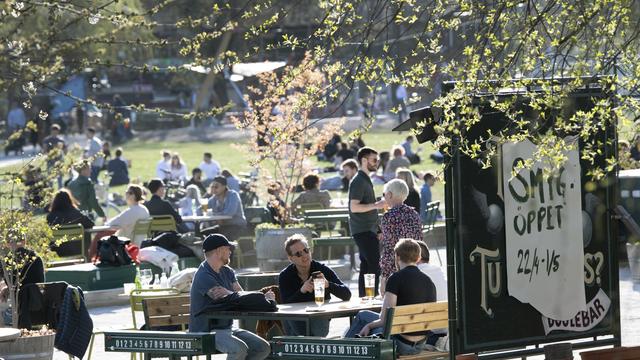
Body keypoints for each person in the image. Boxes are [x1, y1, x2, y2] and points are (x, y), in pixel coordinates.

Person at [345, 239, 436, 356]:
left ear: (397, 257)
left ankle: (342, 351)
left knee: (362, 317)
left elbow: (385, 319)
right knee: (367, 320)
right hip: (420, 344)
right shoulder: (428, 281)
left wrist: (369, 325)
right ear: (418, 258)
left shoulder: (395, 278)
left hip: (400, 344)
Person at [189, 234, 272, 360]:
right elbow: (225, 298)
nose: (230, 252)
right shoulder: (203, 275)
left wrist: (230, 293)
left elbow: (241, 296)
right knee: (239, 350)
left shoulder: (227, 271)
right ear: (219, 251)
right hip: (205, 331)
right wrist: (231, 295)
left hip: (227, 328)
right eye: (228, 248)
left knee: (263, 348)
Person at [278, 234, 351, 336]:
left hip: (319, 319)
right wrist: (302, 291)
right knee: (296, 325)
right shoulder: (285, 275)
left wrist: (328, 285)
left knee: (316, 331)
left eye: (306, 250)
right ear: (291, 258)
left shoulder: (321, 269)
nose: (304, 256)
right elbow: (285, 305)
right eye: (298, 254)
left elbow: (347, 294)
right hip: (296, 320)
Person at [349, 147, 386, 297]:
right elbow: (354, 207)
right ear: (364, 160)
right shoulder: (358, 180)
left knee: (366, 266)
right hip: (362, 230)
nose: (377, 163)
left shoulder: (365, 179)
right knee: (374, 265)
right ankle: (371, 298)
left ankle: (364, 299)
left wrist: (377, 229)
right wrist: (376, 205)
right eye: (374, 160)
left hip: (368, 230)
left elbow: (368, 208)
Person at [378, 179, 423, 294]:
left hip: (396, 272)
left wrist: (384, 276)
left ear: (390, 194)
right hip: (415, 268)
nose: (384, 197)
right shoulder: (414, 214)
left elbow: (389, 249)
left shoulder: (389, 217)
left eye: (384, 194)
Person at [416, 241, 448, 346]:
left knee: (363, 317)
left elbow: (386, 316)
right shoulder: (439, 270)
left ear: (416, 257)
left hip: (426, 336)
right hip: (446, 331)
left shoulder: (413, 274)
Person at [47, 189, 95, 257]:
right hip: (78, 250)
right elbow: (91, 224)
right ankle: (88, 257)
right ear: (70, 200)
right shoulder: (77, 214)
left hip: (57, 252)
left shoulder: (50, 217)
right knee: (86, 233)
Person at [205, 176, 247, 240]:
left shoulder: (233, 195)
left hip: (237, 226)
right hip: (223, 227)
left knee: (220, 237)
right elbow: (200, 209)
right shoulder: (213, 199)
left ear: (224, 187)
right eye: (212, 187)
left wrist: (214, 214)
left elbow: (230, 212)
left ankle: (228, 249)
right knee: (202, 233)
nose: (213, 189)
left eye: (216, 187)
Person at [42, 124, 67, 188]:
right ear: (51, 131)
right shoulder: (47, 140)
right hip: (50, 161)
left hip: (59, 161)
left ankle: (60, 193)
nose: (55, 132)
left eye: (56, 131)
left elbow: (65, 151)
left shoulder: (61, 140)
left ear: (58, 131)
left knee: (60, 179)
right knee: (50, 179)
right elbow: (44, 151)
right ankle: (50, 192)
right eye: (53, 131)